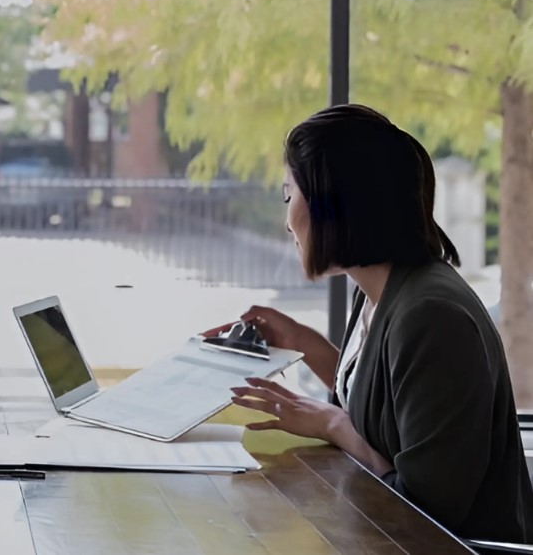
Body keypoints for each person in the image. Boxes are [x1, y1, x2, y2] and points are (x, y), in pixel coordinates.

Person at [207, 104, 533, 542]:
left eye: (290, 195)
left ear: (332, 204)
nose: (287, 221)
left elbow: (426, 516)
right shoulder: (381, 289)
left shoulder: (432, 317)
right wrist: (308, 345)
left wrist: (332, 425)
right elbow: (384, 411)